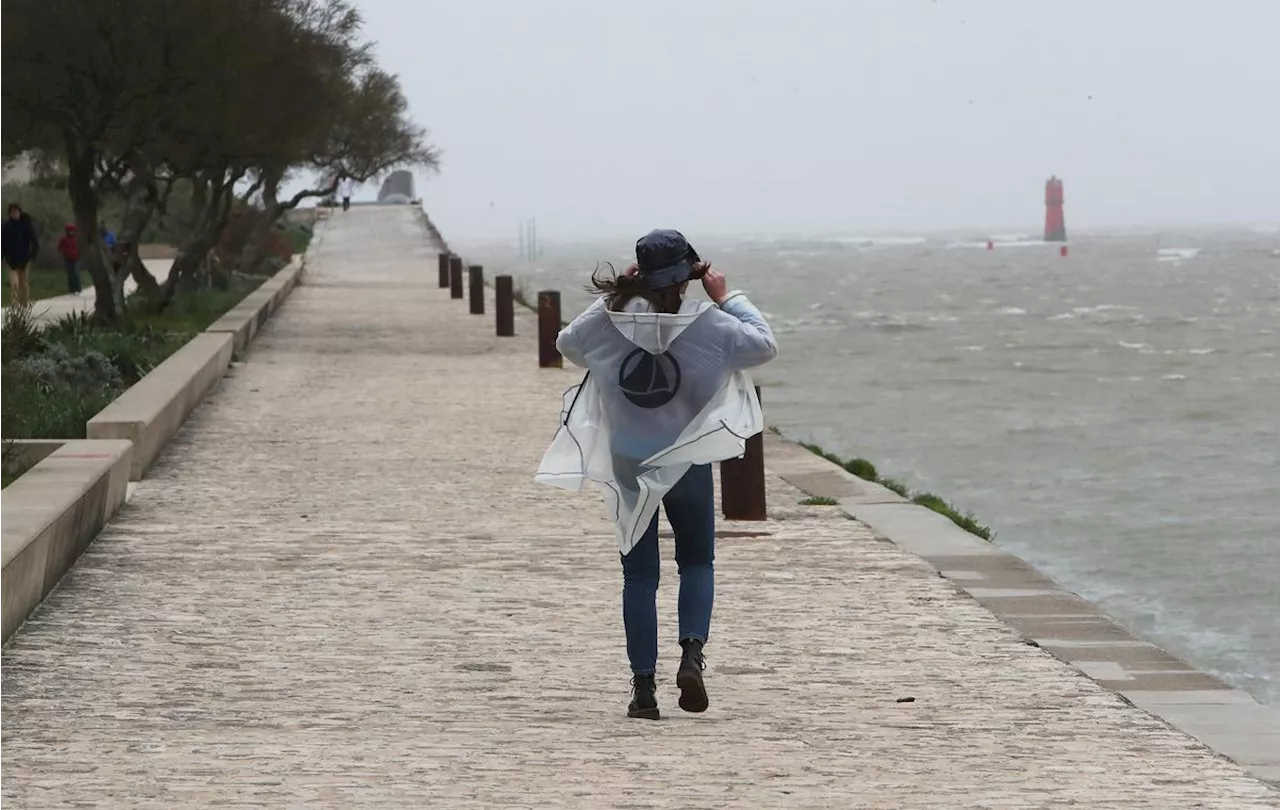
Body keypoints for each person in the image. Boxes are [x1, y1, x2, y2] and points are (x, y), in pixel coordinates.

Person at [536, 229, 777, 720]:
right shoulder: (712, 325)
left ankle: (643, 689)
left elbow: (565, 343)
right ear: (688, 276)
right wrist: (728, 296)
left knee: (640, 576)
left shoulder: (606, 323)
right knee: (697, 562)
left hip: (629, 462)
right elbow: (764, 345)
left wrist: (618, 293)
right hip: (686, 458)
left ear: (641, 275)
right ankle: (691, 655)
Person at [0, 203, 40, 307]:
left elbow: (35, 241)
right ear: (10, 214)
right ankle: (15, 304)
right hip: (11, 260)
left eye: (16, 211)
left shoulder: (26, 225)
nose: (15, 214)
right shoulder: (6, 227)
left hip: (25, 259)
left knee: (24, 283)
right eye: (13, 212)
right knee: (14, 284)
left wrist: (33, 255)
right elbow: (2, 243)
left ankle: (24, 303)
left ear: (20, 213)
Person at [57, 223, 82, 295]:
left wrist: (79, 253)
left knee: (76, 273)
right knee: (70, 274)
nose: (70, 232)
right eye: (69, 231)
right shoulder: (64, 239)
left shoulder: (77, 238)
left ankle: (78, 288)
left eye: (72, 231)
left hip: (76, 258)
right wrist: (64, 252)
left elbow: (81, 247)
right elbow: (60, 248)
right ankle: (72, 290)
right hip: (67, 258)